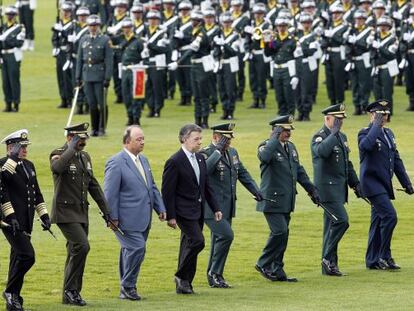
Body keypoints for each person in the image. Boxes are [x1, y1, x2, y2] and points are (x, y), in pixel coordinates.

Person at [49, 123, 112, 306]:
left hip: (81, 212)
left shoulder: (85, 156)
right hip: (64, 212)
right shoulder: (59, 153)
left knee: (75, 252)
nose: (83, 143)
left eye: (84, 140)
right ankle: (71, 291)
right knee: (82, 246)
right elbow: (57, 168)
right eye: (79, 139)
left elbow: (93, 185)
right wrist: (70, 148)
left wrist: (106, 211)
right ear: (70, 138)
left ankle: (70, 294)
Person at [104, 126, 166, 300]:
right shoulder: (116, 162)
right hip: (124, 219)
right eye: (138, 139)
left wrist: (160, 208)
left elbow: (151, 186)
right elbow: (110, 193)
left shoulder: (143, 160)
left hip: (143, 218)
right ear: (127, 141)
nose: (142, 142)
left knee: (129, 251)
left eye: (143, 138)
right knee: (137, 248)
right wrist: (112, 218)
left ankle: (125, 288)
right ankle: (128, 286)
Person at [256, 115, 320, 282]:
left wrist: (311, 189)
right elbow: (264, 158)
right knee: (280, 231)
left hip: (287, 200)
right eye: (284, 130)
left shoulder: (290, 147)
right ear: (275, 130)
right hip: (271, 199)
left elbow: (298, 170)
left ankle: (277, 270)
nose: (288, 133)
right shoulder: (266, 146)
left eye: (289, 130)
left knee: (283, 235)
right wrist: (273, 139)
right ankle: (264, 263)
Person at [161, 124, 222, 294]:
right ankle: (181, 275)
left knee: (188, 244)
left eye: (200, 139)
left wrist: (215, 207)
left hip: (199, 210)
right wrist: (171, 216)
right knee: (197, 241)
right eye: (196, 139)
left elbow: (206, 186)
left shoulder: (201, 158)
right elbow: (167, 191)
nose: (200, 142)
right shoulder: (174, 161)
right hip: (183, 212)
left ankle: (185, 283)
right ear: (184, 139)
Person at [200, 123, 262, 288]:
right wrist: (218, 151)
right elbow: (204, 171)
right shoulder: (206, 153)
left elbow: (241, 172)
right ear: (215, 137)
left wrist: (255, 190)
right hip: (210, 207)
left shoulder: (232, 152)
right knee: (226, 235)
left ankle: (213, 275)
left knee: (218, 239)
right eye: (225, 139)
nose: (228, 142)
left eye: (229, 138)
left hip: (227, 205)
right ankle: (215, 273)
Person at [358, 100, 413, 270]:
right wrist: (375, 125)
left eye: (386, 114)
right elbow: (365, 146)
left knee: (378, 221)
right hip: (372, 184)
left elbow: (396, 160)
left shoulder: (389, 134)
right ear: (371, 115)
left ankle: (372, 260)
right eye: (380, 114)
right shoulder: (365, 132)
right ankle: (384, 256)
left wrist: (407, 183)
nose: (384, 118)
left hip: (384, 184)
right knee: (390, 216)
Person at [0, 129, 51, 311]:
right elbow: (3, 187)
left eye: (25, 147)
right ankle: (10, 292)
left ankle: (14, 302)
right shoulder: (4, 164)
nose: (25, 150)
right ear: (10, 147)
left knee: (17, 259)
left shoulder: (29, 165)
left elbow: (36, 193)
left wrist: (44, 215)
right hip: (10, 220)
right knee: (27, 256)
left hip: (26, 220)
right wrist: (11, 217)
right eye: (21, 147)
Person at [311, 104, 362, 276]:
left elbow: (346, 163)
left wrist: (355, 184)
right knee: (342, 221)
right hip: (327, 190)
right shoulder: (319, 136)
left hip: (339, 190)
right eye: (337, 120)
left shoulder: (342, 136)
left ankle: (330, 265)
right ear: (327, 119)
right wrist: (333, 134)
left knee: (331, 226)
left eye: (341, 120)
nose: (340, 123)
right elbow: (322, 152)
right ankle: (326, 258)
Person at [76, 14, 113, 136]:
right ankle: (94, 128)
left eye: (95, 25)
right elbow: (80, 59)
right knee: (91, 103)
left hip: (99, 74)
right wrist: (78, 76)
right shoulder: (84, 39)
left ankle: (102, 128)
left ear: (99, 26)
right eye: (91, 25)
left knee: (101, 102)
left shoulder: (105, 39)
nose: (93, 28)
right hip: (87, 74)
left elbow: (109, 60)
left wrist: (107, 77)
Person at [1, 6, 25, 113]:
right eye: (8, 14)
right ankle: (8, 103)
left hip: (13, 56)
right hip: (3, 56)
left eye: (12, 14)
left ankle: (16, 103)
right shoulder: (2, 27)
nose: (9, 16)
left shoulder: (20, 28)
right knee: (5, 81)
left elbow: (19, 43)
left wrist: (5, 40)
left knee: (13, 80)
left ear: (15, 15)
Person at [52, 1, 75, 109]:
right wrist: (55, 47)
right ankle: (63, 99)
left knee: (67, 77)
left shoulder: (73, 24)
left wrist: (62, 32)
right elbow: (54, 38)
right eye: (64, 11)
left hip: (68, 52)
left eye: (68, 11)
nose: (65, 13)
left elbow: (71, 40)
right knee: (60, 76)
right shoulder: (59, 23)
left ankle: (70, 99)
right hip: (60, 53)